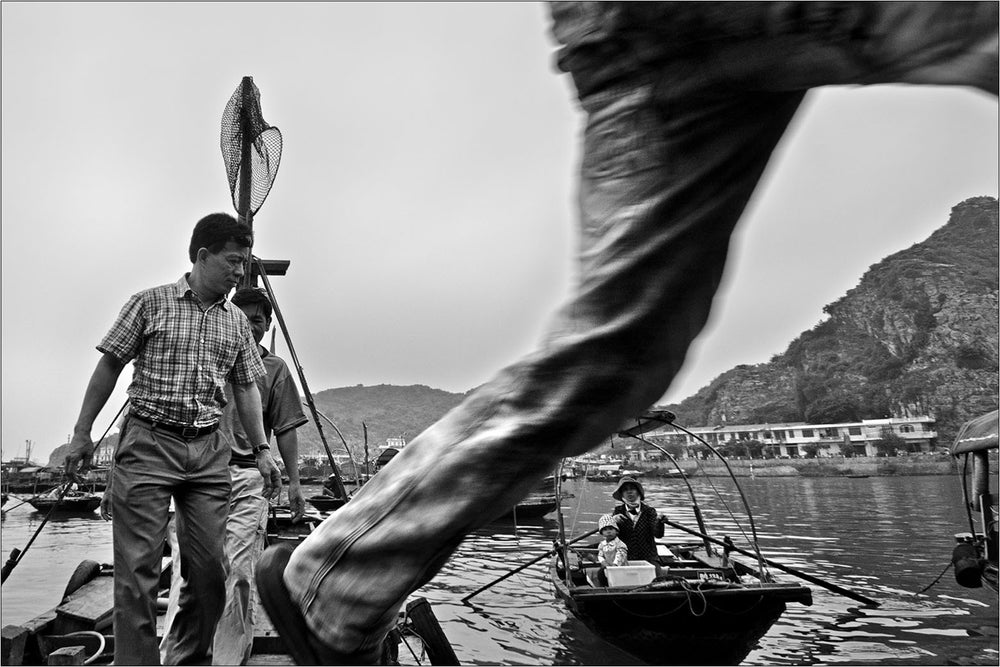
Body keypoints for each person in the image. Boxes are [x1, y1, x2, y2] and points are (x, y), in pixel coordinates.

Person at [256, 4, 999, 664]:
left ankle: (341, 576)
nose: (636, 497)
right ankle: (338, 574)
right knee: (616, 356)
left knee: (619, 360)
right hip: (656, 25)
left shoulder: (644, 517)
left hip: (637, 32)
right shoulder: (619, 518)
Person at [64, 213, 281, 665]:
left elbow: (244, 387)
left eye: (244, 263)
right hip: (147, 444)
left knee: (208, 573)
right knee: (137, 575)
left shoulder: (237, 323)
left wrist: (262, 451)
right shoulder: (150, 303)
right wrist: (82, 433)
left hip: (207, 451)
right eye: (233, 261)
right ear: (203, 256)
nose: (240, 272)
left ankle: (186, 658)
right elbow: (110, 365)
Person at [158, 287, 309, 665]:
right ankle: (177, 658)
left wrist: (293, 482)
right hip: (196, 474)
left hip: (246, 476)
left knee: (239, 572)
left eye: (260, 319)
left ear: (267, 325)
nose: (252, 324)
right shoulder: (204, 355)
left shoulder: (274, 369)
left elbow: (287, 427)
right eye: (246, 316)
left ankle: (227, 660)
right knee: (187, 571)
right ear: (231, 316)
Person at [610, 477, 665, 563]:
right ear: (622, 495)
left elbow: (658, 534)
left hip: (648, 558)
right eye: (625, 490)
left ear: (638, 492)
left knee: (659, 575)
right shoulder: (618, 511)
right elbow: (610, 535)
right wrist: (613, 522)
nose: (629, 492)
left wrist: (660, 523)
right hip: (624, 559)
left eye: (632, 489)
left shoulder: (649, 511)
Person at [595, 513, 628, 587]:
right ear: (602, 533)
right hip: (607, 566)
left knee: (618, 576)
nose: (608, 532)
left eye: (611, 529)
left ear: (616, 531)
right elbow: (600, 555)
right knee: (600, 573)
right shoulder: (602, 544)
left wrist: (615, 565)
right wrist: (603, 562)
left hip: (620, 568)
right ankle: (603, 588)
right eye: (605, 530)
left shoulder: (620, 544)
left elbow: (620, 555)